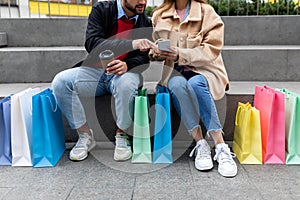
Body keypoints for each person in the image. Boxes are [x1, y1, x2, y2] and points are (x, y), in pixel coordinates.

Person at [52, 0, 155, 162]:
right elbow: (92, 43)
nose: (142, 2)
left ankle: (122, 135)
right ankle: (85, 136)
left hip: (123, 75)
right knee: (60, 81)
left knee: (127, 83)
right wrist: (131, 44)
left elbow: (144, 58)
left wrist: (128, 65)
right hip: (94, 73)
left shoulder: (145, 22)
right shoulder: (102, 9)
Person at [149, 0, 237, 177]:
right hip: (175, 71)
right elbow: (157, 44)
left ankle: (220, 146)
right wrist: (156, 52)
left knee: (195, 83)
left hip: (206, 70)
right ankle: (201, 144)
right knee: (175, 84)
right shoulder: (160, 14)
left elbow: (212, 49)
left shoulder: (207, 12)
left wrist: (181, 54)